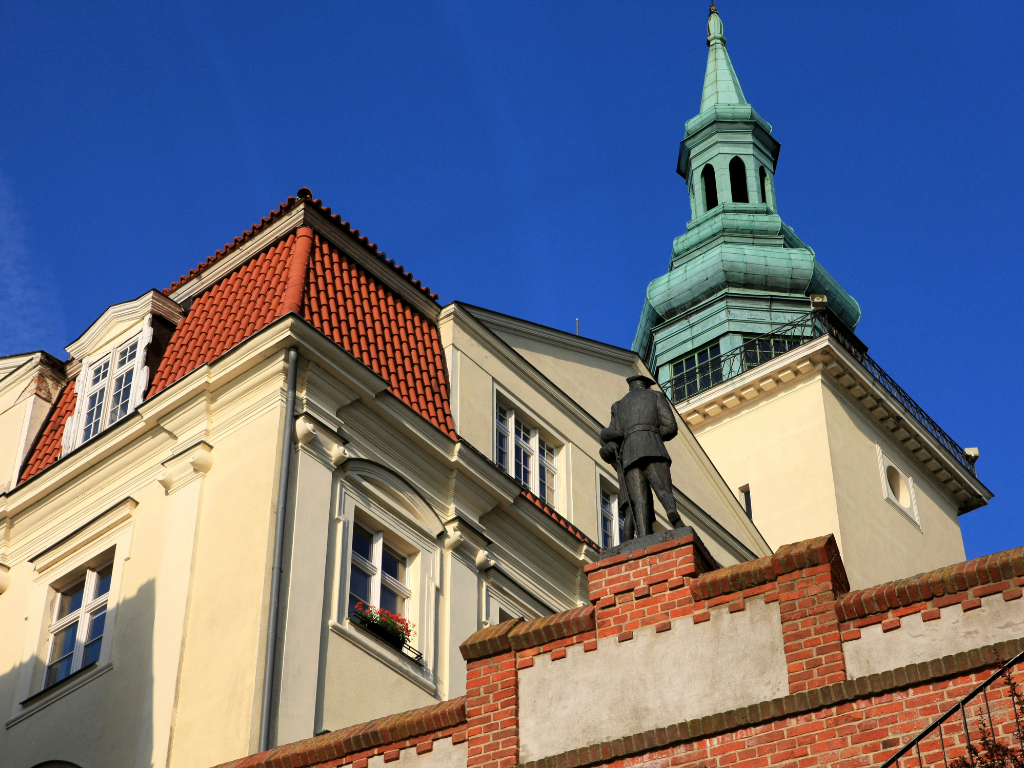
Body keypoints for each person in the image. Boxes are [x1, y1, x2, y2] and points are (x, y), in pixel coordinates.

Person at [599, 374, 683, 538]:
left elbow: (617, 432)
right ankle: (671, 511)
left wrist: (603, 433)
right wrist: (653, 434)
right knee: (663, 490)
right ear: (647, 385)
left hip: (630, 454)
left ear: (631, 387)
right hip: (653, 446)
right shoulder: (657, 396)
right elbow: (671, 427)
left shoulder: (619, 405)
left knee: (639, 501)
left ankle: (644, 536)